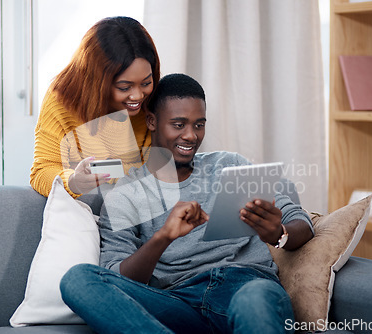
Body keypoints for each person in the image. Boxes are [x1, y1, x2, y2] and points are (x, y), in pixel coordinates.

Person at [60, 74, 314, 333]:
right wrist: (163, 237)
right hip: (177, 301)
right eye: (179, 125)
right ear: (152, 121)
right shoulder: (125, 193)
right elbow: (118, 276)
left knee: (255, 300)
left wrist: (278, 234)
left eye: (199, 124)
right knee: (78, 279)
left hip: (245, 286)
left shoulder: (229, 165)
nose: (191, 136)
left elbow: (301, 221)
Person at [30, 16, 160, 198]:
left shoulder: (154, 100)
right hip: (82, 212)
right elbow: (41, 172)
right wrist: (74, 182)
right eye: (124, 87)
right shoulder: (61, 100)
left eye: (146, 83)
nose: (138, 96)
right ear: (97, 82)